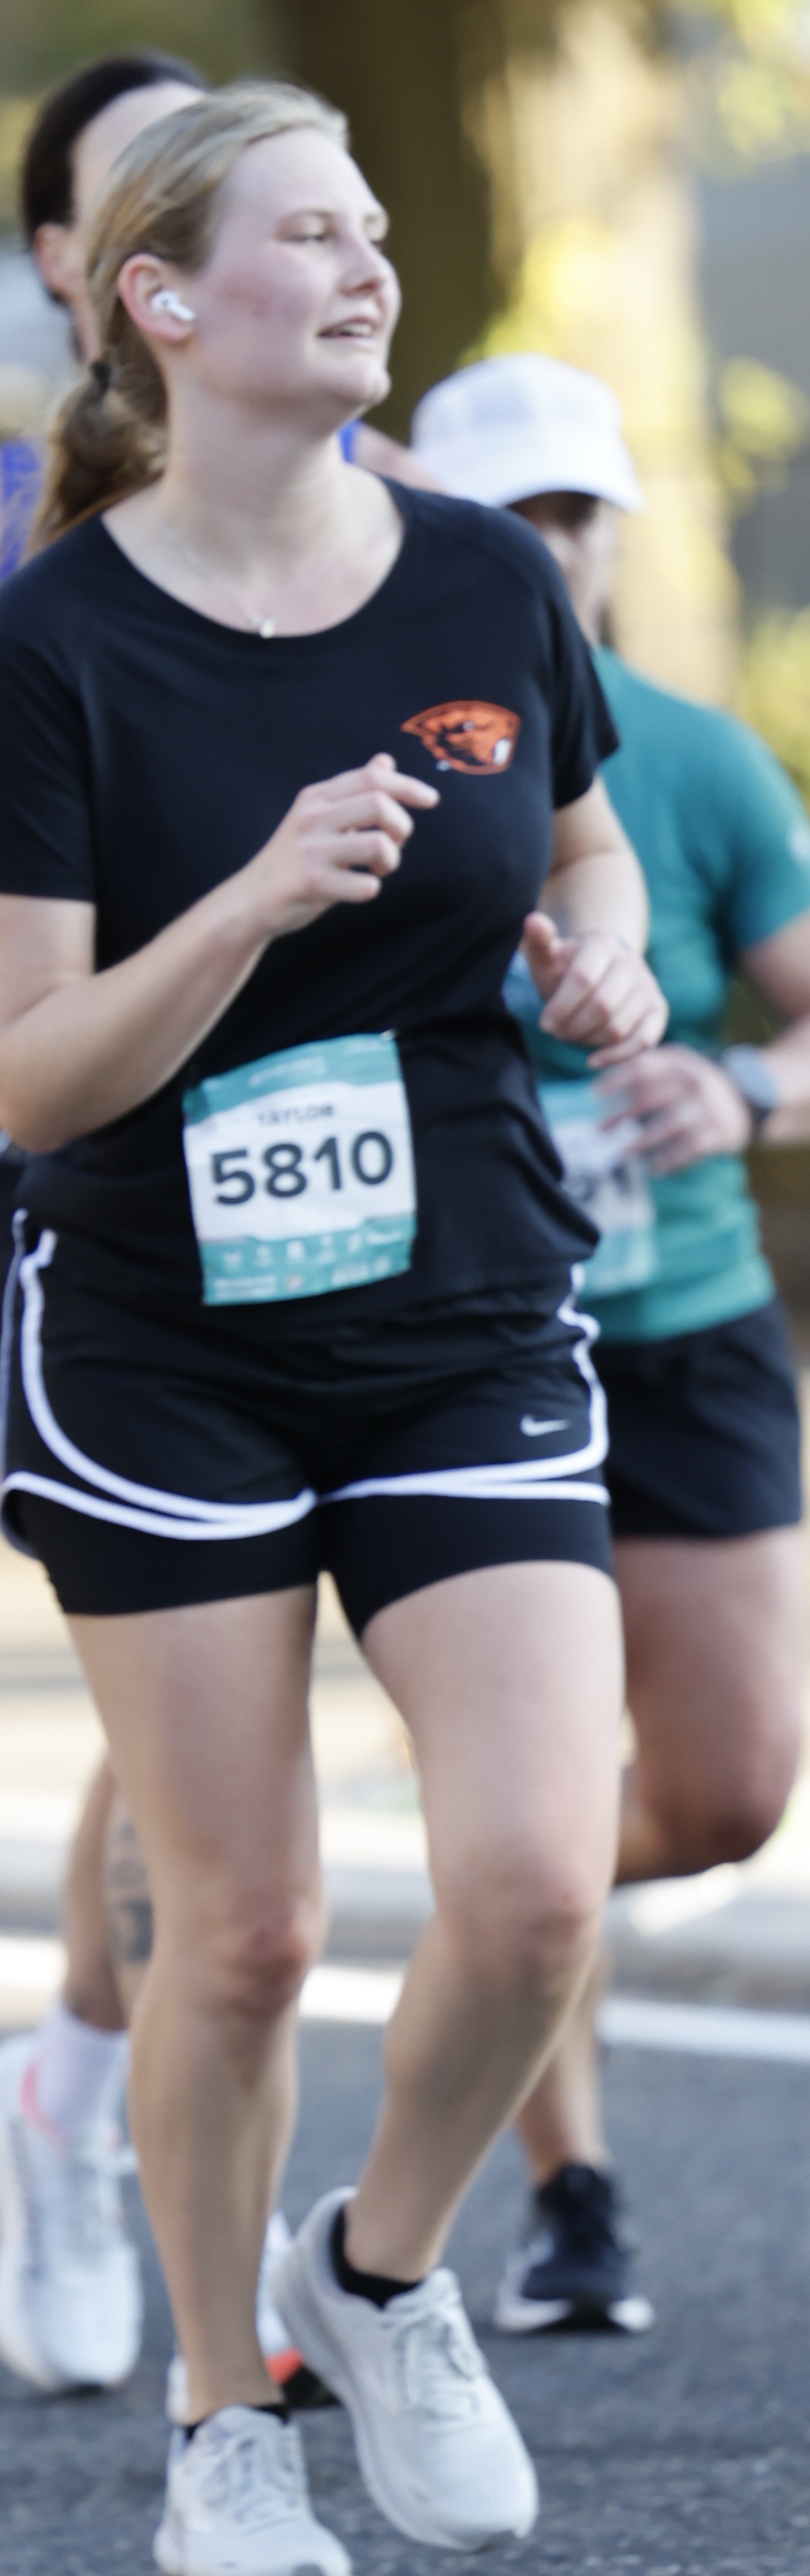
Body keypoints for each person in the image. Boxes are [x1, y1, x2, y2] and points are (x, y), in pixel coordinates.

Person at [0, 83, 668, 2576]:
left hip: (460, 1307)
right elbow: (33, 1077)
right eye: (310, 236)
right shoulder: (57, 639)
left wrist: (603, 968)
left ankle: (378, 2269)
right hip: (169, 1342)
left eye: (373, 233)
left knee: (537, 1884)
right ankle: (219, 2419)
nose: (368, 270)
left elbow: (586, 843)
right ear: (159, 297)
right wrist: (248, 901)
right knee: (237, 1934)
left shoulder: (481, 578)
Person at [0, 51, 430, 2404]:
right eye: (135, 193)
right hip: (83, 1165)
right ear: (89, 267)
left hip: (357, 1153)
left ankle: (83, 2081)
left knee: (255, 1693)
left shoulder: (399, 505)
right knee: (178, 1693)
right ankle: (101, 2125)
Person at [414, 353, 810, 2337]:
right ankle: (569, 2185)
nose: (549, 554)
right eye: (511, 522)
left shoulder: (704, 761)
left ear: (615, 540)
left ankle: (497, 1899)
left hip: (692, 1324)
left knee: (732, 1789)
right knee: (544, 1797)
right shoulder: (384, 752)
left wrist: (742, 1088)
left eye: (575, 517)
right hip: (481, 1343)